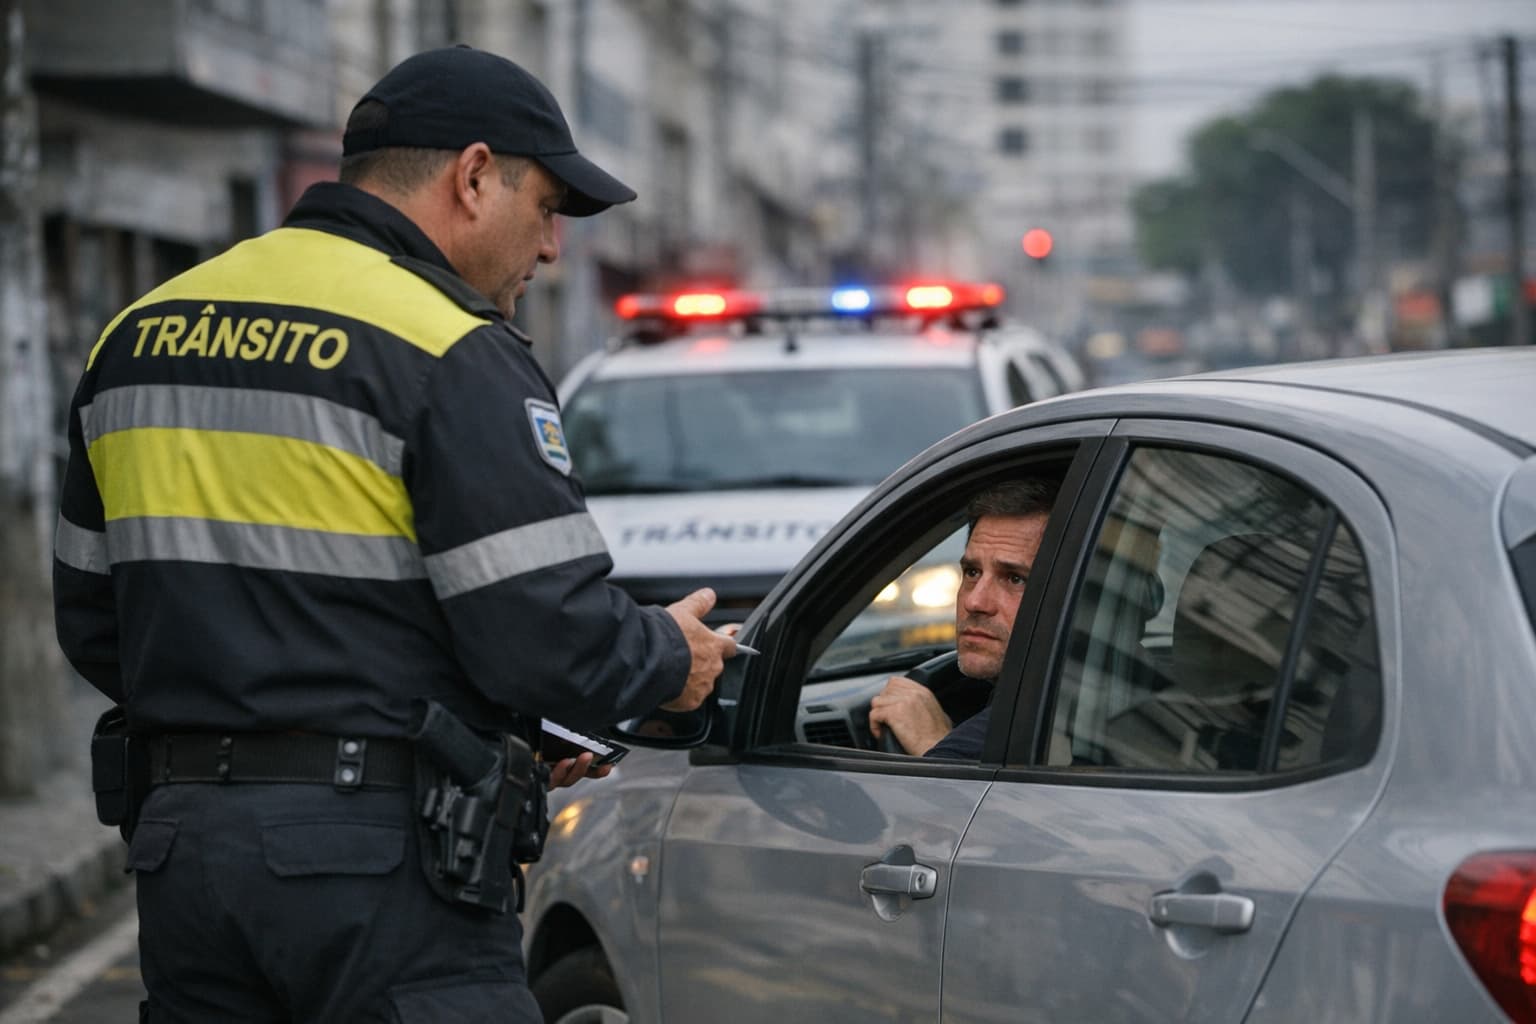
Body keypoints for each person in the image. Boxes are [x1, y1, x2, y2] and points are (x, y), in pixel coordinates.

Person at [52, 45, 737, 1023]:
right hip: (381, 868)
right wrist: (673, 657)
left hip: (185, 857)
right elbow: (544, 630)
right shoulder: (445, 343)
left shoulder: (139, 333)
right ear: (473, 176)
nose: (552, 248)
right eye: (547, 207)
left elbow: (95, 619)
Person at [868, 478, 1058, 760]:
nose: (974, 602)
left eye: (1015, 578)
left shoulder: (1034, 719)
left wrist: (932, 743)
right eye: (972, 572)